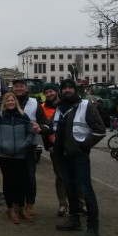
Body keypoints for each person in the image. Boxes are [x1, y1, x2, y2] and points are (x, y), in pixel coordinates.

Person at [49, 79, 106, 236]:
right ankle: (74, 219)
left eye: (70, 88)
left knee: (86, 191)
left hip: (79, 155)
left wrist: (83, 146)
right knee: (70, 188)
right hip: (62, 155)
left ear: (75, 90)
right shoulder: (60, 108)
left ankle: (93, 229)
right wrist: (40, 128)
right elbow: (50, 126)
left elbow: (100, 130)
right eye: (64, 88)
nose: (67, 90)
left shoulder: (86, 106)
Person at [0, 92, 34, 224]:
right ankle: (10, 209)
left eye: (12, 100)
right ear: (4, 103)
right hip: (5, 155)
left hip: (20, 154)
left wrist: (25, 144)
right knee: (9, 182)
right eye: (7, 100)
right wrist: (0, 145)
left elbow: (30, 131)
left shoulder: (22, 116)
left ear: (16, 102)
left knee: (22, 181)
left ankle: (21, 207)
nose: (10, 102)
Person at [11, 78, 46, 216]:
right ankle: (17, 204)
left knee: (30, 176)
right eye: (16, 86)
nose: (19, 88)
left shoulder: (34, 103)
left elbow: (43, 122)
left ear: (26, 88)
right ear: (13, 88)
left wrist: (39, 127)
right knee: (15, 176)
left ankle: (29, 204)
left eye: (21, 86)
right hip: (13, 146)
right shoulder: (9, 101)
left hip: (29, 145)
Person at [39, 83, 69, 217]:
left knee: (76, 175)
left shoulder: (68, 104)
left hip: (70, 145)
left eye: (51, 91)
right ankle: (63, 204)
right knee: (60, 176)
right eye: (46, 92)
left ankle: (80, 203)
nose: (49, 94)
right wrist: (48, 146)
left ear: (56, 91)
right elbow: (43, 128)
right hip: (54, 146)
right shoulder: (42, 107)